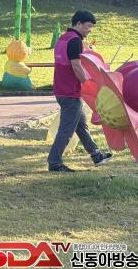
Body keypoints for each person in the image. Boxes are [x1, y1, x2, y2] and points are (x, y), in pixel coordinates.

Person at [48, 10, 113, 172]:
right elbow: (76, 66)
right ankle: (54, 163)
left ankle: (96, 155)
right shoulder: (75, 40)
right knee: (66, 130)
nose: (89, 30)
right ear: (78, 23)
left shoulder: (63, 38)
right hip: (70, 91)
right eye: (88, 26)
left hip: (61, 89)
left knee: (81, 125)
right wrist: (87, 83)